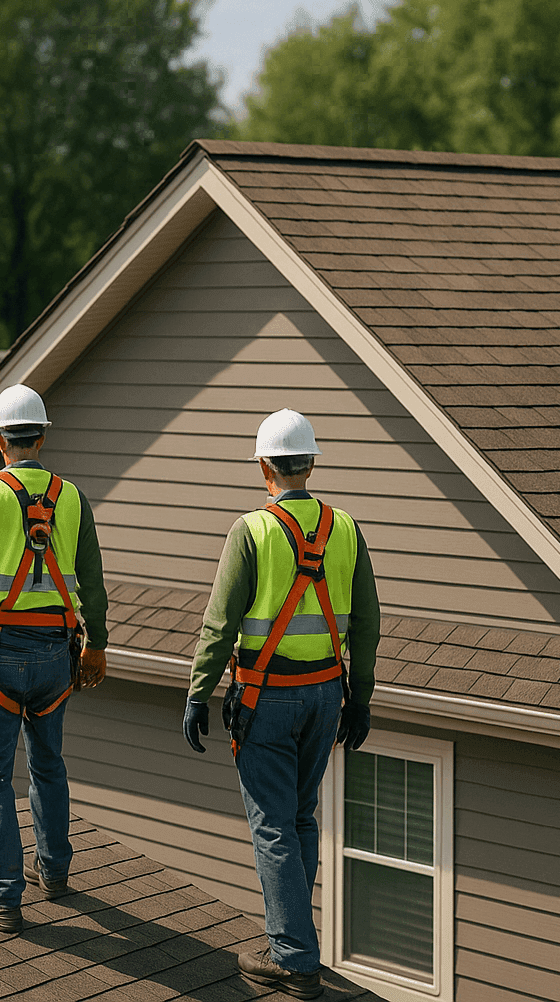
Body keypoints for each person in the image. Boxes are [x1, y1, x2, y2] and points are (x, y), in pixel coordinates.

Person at [182, 409, 378, 998]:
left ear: (264, 467)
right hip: (326, 694)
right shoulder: (345, 528)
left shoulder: (252, 531)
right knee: (299, 818)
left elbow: (219, 624)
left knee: (273, 826)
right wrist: (360, 699)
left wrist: (198, 693)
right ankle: (294, 940)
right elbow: (367, 623)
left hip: (267, 698)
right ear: (310, 464)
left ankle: (292, 956)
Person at [0, 384, 109, 934]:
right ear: (42, 437)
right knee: (48, 763)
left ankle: (3, 896)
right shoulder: (72, 498)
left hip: (2, 652)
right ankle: (53, 872)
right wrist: (97, 644)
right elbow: (93, 582)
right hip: (58, 651)